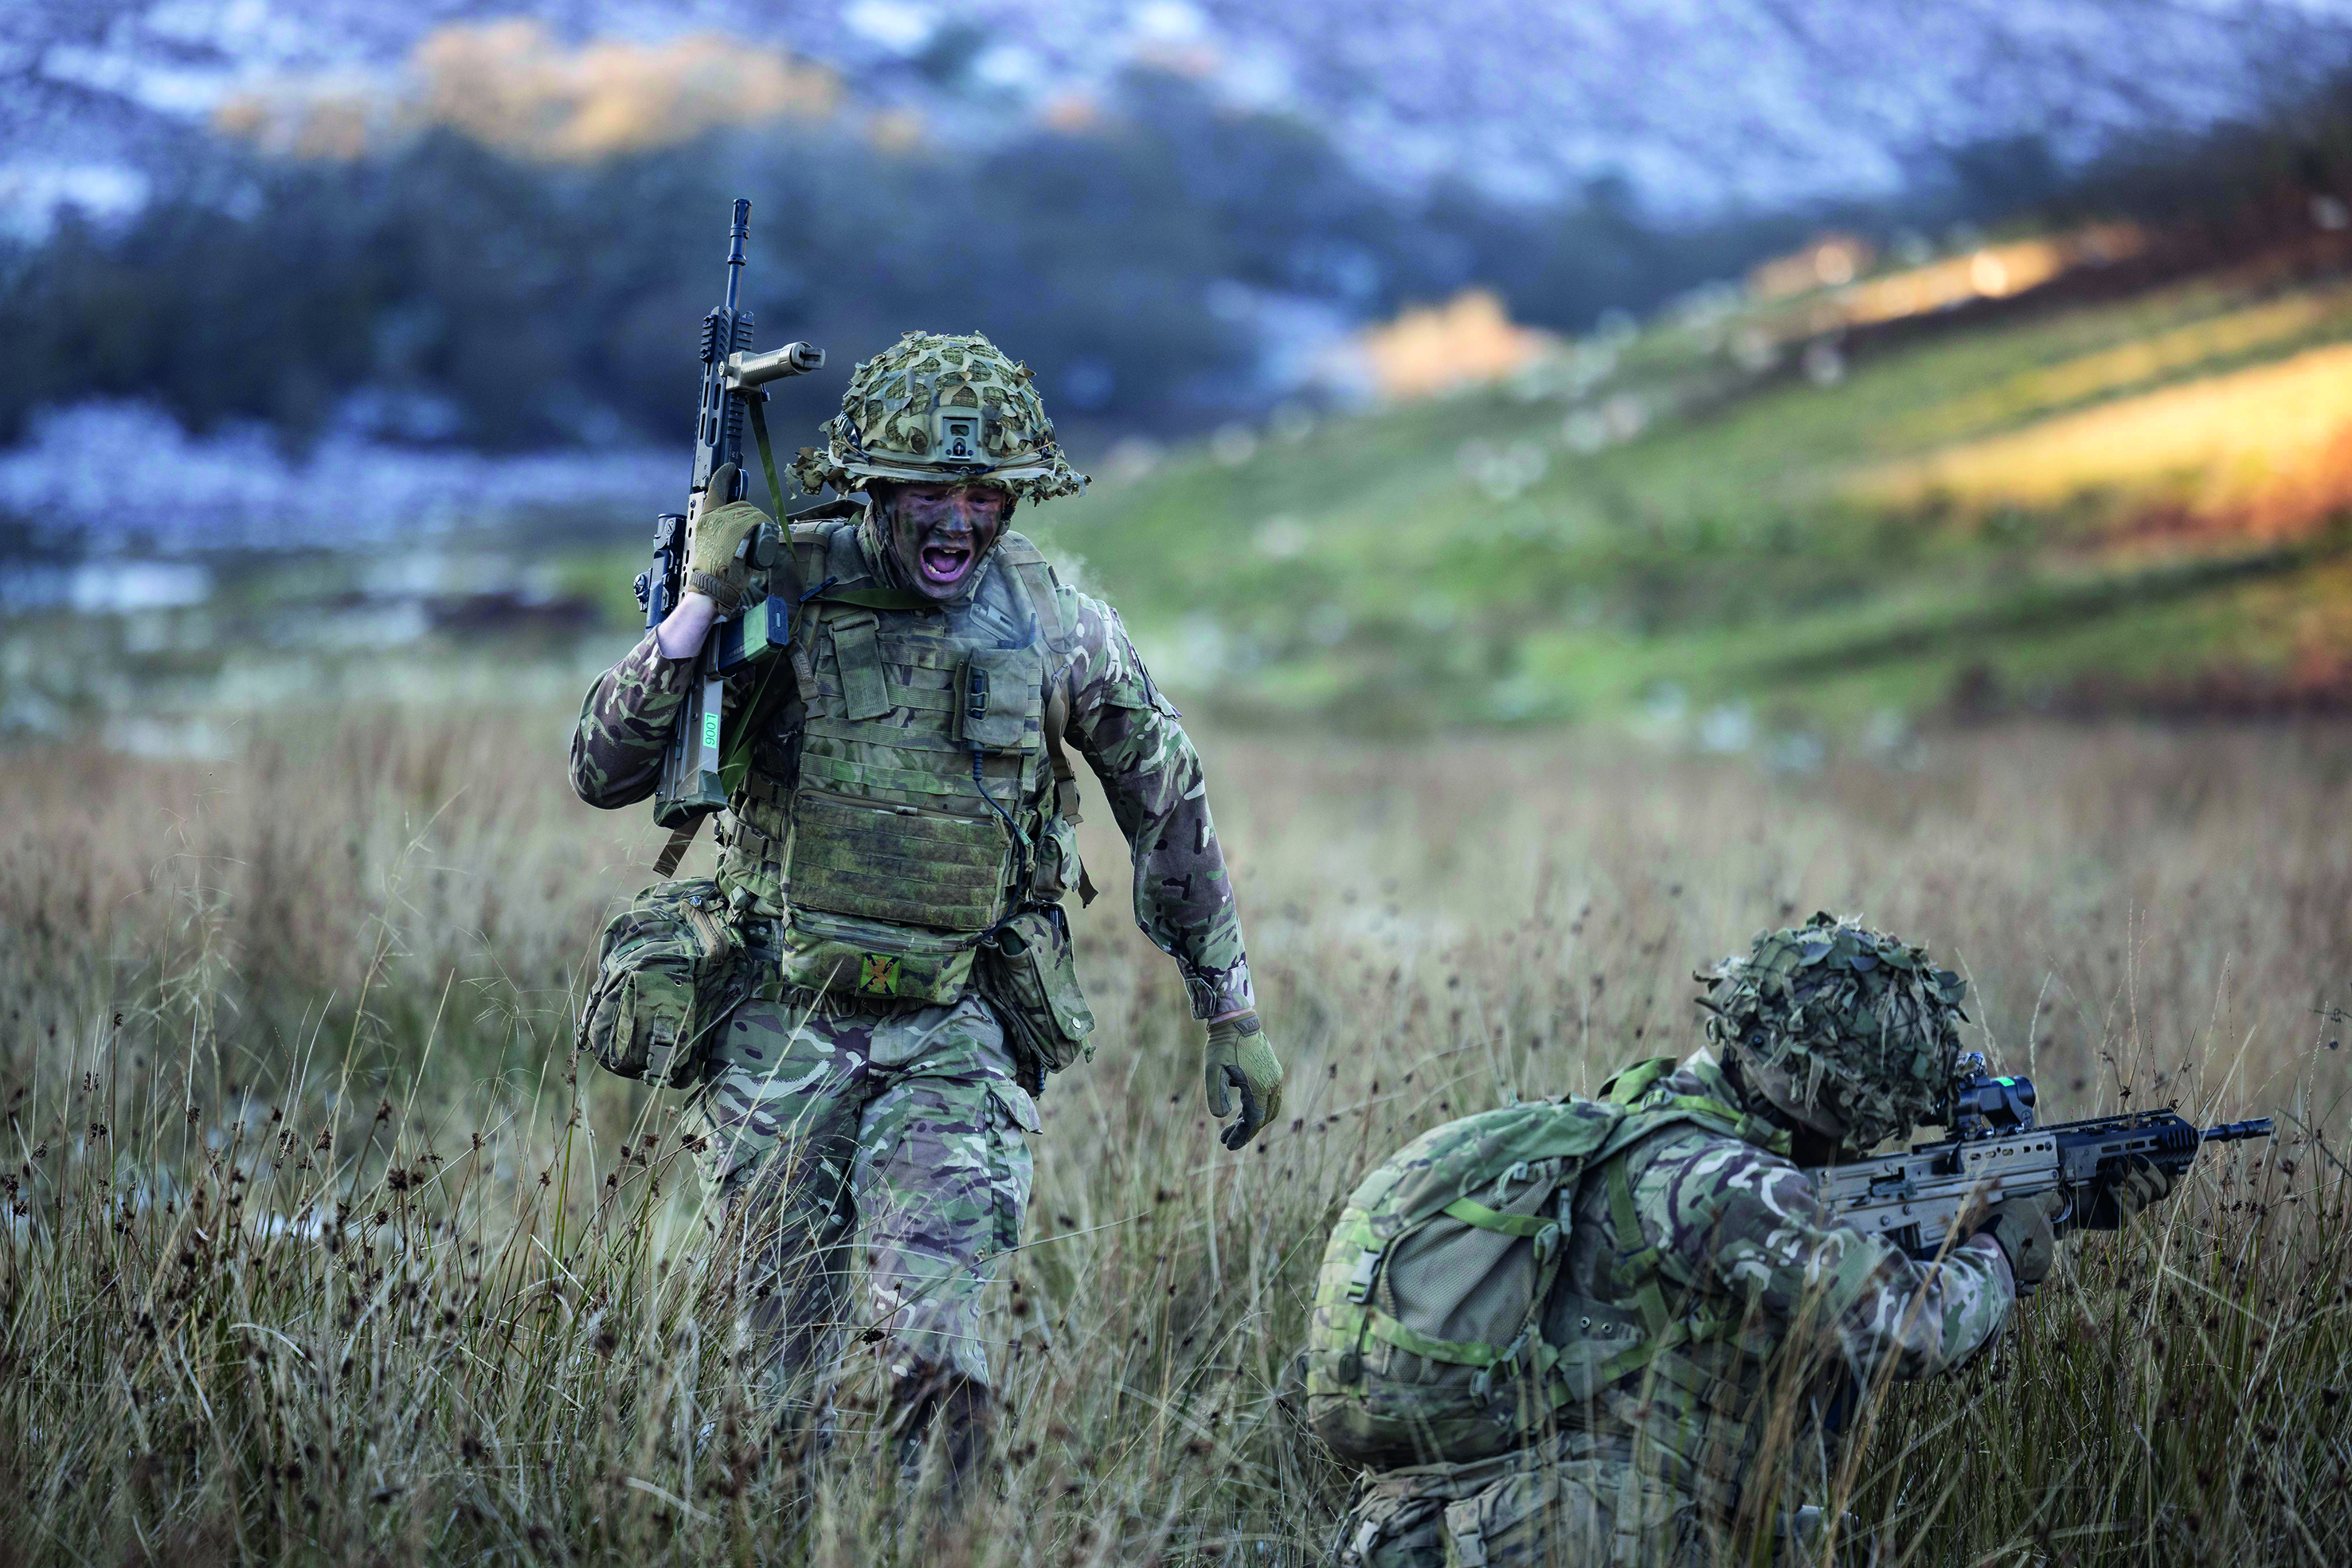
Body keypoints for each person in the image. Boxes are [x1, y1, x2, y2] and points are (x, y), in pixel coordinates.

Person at [569, 330, 1282, 1497]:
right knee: (770, 1370)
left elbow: (1169, 799)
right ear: (871, 490)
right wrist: (698, 607)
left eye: (984, 493)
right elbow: (602, 770)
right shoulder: (775, 593)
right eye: (928, 494)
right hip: (778, 1026)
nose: (958, 522)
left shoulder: (1055, 623)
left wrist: (1230, 1009)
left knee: (934, 1346)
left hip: (957, 1030)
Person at [1329, 914, 2107, 1567]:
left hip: (1444, 1519)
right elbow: (1906, 1330)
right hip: (1576, 1530)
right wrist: (2007, 1252)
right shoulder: (1732, 1186)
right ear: (1829, 1097)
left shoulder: (1649, 1117)